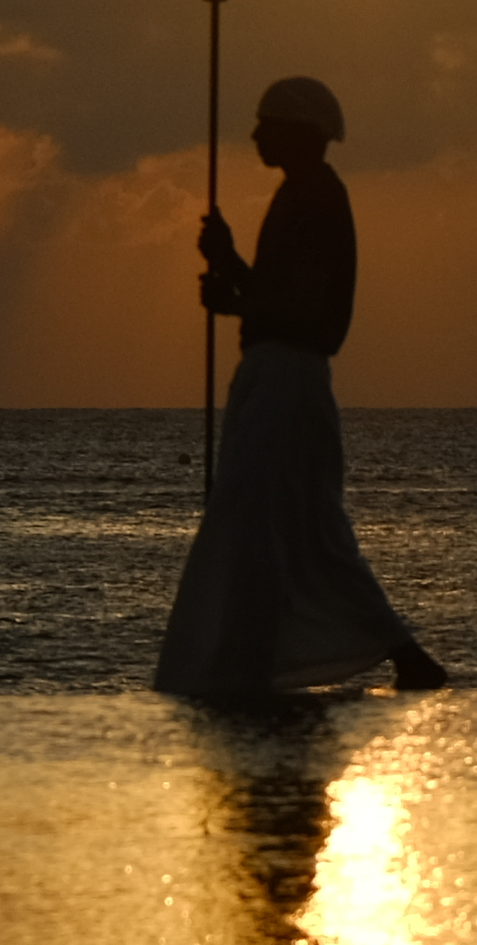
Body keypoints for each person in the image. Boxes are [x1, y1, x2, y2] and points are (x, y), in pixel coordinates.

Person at [155, 76, 450, 699]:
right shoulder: (303, 193)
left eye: (268, 122)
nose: (257, 133)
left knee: (256, 520)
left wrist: (234, 297)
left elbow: (306, 313)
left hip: (286, 380)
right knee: (300, 524)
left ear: (299, 130)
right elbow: (280, 294)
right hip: (280, 377)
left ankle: (236, 668)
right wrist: (233, 269)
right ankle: (386, 655)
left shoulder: (315, 195)